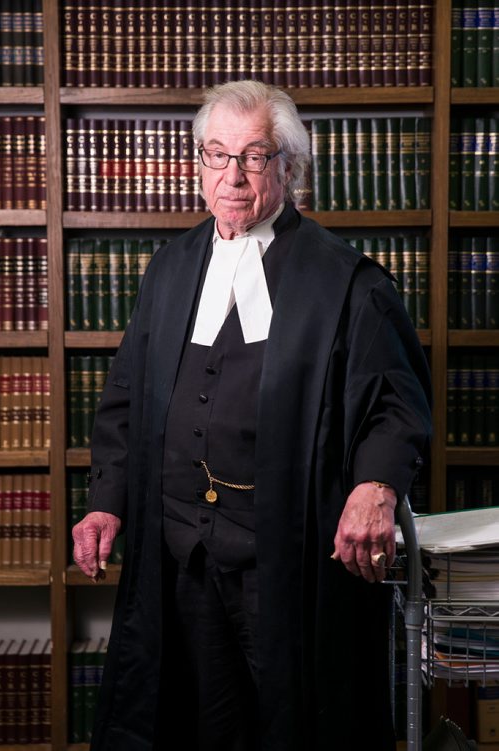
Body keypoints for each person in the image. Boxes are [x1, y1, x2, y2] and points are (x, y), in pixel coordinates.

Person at [72, 80, 432, 751]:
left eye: (253, 155)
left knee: (293, 727)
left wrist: (374, 486)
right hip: (182, 554)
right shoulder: (171, 269)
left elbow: (396, 402)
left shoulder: (346, 281)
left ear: (287, 166)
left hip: (287, 561)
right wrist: (106, 502)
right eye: (216, 154)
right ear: (199, 165)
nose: (232, 175)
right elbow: (125, 397)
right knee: (199, 726)